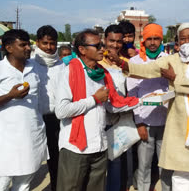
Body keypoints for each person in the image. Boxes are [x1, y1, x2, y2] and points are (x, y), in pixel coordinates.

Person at [108, 22, 189, 191]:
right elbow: (147, 70)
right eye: (183, 39)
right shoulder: (172, 60)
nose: (187, 42)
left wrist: (175, 79)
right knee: (181, 174)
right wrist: (122, 63)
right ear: (177, 41)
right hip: (179, 126)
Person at [55, 29, 139, 191]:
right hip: (76, 148)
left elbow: (112, 105)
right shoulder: (68, 72)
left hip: (99, 146)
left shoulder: (102, 73)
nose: (103, 49)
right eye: (98, 45)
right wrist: (93, 99)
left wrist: (144, 101)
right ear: (82, 50)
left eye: (101, 45)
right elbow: (61, 111)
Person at [0, 29, 47, 191]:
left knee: (23, 185)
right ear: (9, 48)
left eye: (28, 44)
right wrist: (10, 96)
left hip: (31, 137)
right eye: (22, 45)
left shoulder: (35, 68)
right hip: (4, 141)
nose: (28, 48)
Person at [126, 23, 171, 191]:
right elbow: (132, 94)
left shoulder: (169, 60)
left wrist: (165, 99)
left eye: (156, 38)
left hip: (167, 121)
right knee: (143, 165)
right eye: (149, 39)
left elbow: (173, 87)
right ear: (143, 40)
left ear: (161, 40)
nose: (152, 42)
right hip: (145, 121)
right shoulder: (135, 62)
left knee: (166, 165)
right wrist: (139, 122)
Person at [99, 24, 133, 191]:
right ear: (105, 40)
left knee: (116, 163)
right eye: (111, 40)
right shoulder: (96, 62)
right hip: (98, 121)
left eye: (119, 42)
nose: (115, 45)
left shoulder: (126, 63)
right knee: (97, 166)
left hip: (119, 121)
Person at [31, 25, 65, 191]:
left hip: (58, 119)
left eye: (52, 43)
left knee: (57, 159)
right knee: (31, 161)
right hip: (36, 119)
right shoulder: (29, 65)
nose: (49, 47)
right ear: (38, 43)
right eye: (45, 43)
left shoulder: (62, 66)